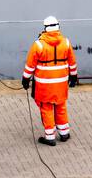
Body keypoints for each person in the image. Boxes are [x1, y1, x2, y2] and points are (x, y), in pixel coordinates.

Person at [22, 15, 78, 145]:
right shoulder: (66, 42)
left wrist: (25, 79)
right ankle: (64, 133)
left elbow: (30, 65)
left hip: (44, 85)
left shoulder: (38, 45)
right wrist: (74, 76)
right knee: (60, 106)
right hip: (61, 83)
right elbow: (72, 62)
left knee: (46, 108)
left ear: (45, 28)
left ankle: (50, 137)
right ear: (58, 27)